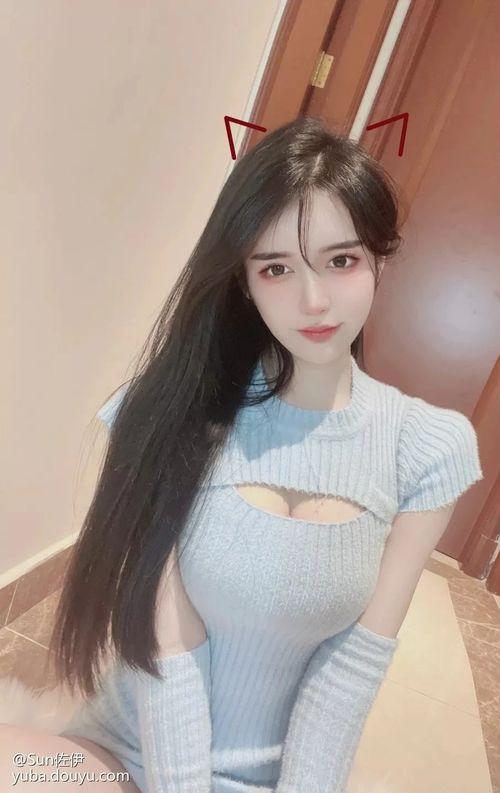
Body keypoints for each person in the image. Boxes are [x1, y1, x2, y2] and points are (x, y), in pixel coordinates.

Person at [1, 116, 483, 792]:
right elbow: (168, 651)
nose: (313, 300)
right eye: (277, 268)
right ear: (245, 282)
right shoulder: (175, 413)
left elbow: (348, 674)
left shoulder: (428, 447)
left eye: (341, 260)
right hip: (127, 752)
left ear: (380, 257)